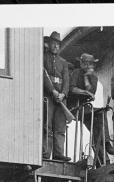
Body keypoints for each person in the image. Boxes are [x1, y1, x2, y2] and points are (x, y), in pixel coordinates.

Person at [69, 53, 114, 166]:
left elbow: (91, 93)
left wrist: (86, 78)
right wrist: (85, 91)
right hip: (76, 108)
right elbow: (72, 89)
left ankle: (104, 159)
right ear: (81, 63)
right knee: (97, 127)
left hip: (87, 109)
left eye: (90, 63)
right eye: (85, 63)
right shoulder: (75, 73)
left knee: (99, 121)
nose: (88, 65)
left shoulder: (94, 77)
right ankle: (106, 144)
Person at [43, 31, 71, 162]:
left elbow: (67, 81)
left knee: (60, 127)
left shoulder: (63, 63)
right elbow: (44, 76)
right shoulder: (43, 58)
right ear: (49, 44)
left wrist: (63, 94)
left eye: (58, 44)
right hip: (48, 96)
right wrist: (53, 91)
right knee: (46, 126)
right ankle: (45, 153)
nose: (56, 46)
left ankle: (58, 154)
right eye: (53, 43)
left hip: (61, 99)